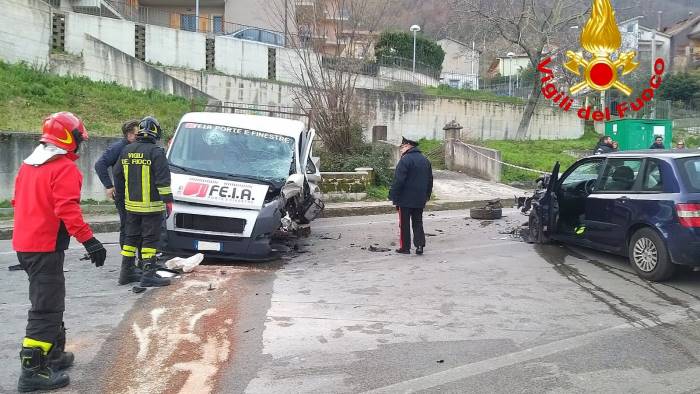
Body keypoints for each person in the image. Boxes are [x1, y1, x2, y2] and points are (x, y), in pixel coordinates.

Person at [12, 112, 107, 392]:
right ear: (70, 139)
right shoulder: (64, 168)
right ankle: (32, 371)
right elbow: (67, 210)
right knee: (46, 308)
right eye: (80, 138)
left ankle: (53, 355)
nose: (81, 144)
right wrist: (90, 241)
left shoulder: (29, 164)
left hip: (26, 246)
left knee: (51, 300)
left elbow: (18, 201)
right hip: (44, 248)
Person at [113, 116, 172, 287]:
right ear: (155, 132)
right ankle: (148, 274)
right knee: (150, 240)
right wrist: (167, 202)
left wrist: (122, 198)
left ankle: (126, 272)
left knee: (131, 238)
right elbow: (163, 181)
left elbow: (117, 175)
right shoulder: (156, 152)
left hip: (131, 206)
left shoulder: (126, 150)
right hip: (151, 207)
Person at [94, 120, 139, 284]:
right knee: (127, 227)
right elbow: (100, 164)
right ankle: (128, 265)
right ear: (129, 135)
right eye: (136, 133)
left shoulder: (136, 148)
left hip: (135, 195)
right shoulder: (118, 148)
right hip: (123, 195)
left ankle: (136, 263)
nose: (139, 135)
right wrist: (109, 186)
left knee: (137, 228)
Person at [389, 137, 433, 255]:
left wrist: (393, 195)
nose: (400, 150)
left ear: (408, 146)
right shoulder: (425, 160)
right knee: (418, 222)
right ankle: (419, 246)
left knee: (404, 224)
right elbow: (430, 180)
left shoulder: (405, 160)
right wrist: (427, 195)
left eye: (402, 147)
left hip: (405, 199)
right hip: (420, 198)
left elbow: (399, 180)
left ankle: (405, 248)